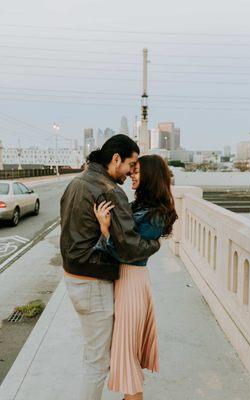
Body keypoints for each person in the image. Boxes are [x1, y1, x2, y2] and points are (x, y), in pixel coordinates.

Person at [60, 134, 160, 400]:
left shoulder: (77, 181)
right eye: (131, 164)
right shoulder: (109, 190)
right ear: (116, 159)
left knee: (93, 354)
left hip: (73, 277)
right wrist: (155, 245)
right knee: (97, 364)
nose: (130, 172)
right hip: (93, 281)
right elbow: (129, 247)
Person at [94, 155, 178, 400]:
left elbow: (128, 253)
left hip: (132, 282)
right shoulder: (142, 207)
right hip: (128, 281)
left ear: (151, 176)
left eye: (137, 171)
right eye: (132, 170)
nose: (132, 174)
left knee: (126, 354)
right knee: (125, 351)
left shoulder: (155, 213)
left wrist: (105, 231)